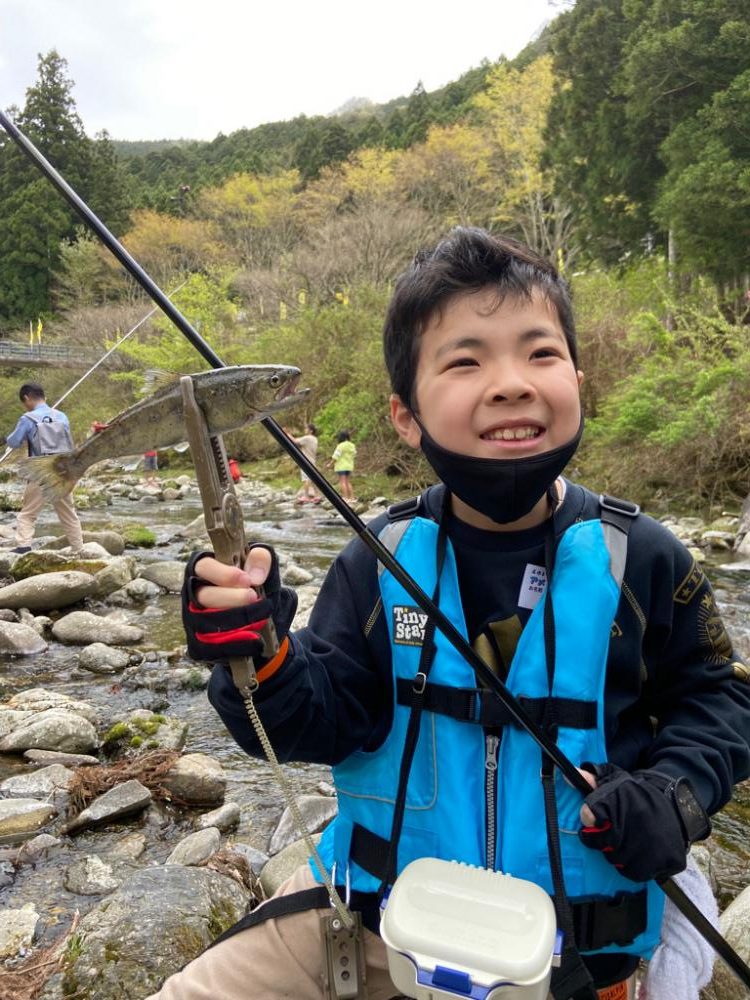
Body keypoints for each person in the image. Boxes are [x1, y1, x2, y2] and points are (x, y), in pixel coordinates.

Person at [156, 229, 750, 1000]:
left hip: (578, 961)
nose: (510, 383)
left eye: (539, 354)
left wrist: (677, 792)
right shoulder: (377, 559)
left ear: (578, 378)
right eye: (466, 361)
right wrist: (257, 657)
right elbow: (319, 719)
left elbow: (722, 700)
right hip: (375, 933)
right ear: (405, 416)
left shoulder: (646, 559)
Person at [4, 382, 82, 553]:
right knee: (68, 513)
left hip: (40, 470)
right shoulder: (62, 417)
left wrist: (5, 439)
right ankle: (78, 548)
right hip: (63, 471)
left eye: (24, 403)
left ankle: (23, 546)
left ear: (26, 398)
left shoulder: (27, 418)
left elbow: (14, 442)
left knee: (28, 513)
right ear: (44, 397)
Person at [289, 423, 321, 504]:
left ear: (311, 430)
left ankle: (306, 497)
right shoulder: (315, 439)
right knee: (313, 479)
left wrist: (287, 434)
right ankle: (317, 496)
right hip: (312, 461)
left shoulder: (307, 438)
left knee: (306, 479)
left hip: (306, 461)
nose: (305, 430)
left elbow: (295, 441)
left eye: (306, 428)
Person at [331, 429, 357, 503]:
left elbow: (336, 456)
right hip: (349, 466)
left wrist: (330, 464)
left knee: (342, 482)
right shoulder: (352, 445)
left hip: (341, 466)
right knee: (348, 482)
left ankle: (345, 498)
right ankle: (352, 497)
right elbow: (354, 454)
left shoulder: (340, 445)